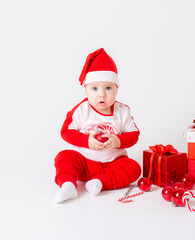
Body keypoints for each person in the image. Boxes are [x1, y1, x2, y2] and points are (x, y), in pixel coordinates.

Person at [54, 48, 141, 204]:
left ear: (116, 89)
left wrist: (118, 141)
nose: (102, 94)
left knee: (133, 168)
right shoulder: (82, 109)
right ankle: (68, 185)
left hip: (113, 162)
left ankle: (100, 183)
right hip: (85, 162)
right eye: (95, 88)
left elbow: (134, 134)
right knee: (64, 156)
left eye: (108, 88)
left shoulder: (122, 111)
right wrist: (86, 141)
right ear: (86, 90)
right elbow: (66, 131)